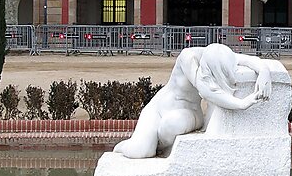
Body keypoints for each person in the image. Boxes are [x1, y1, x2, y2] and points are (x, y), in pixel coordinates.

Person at [113, 43, 272, 158]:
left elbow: (250, 60)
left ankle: (160, 146)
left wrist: (264, 72)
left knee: (171, 124)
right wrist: (242, 104)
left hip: (188, 113)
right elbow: (207, 92)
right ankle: (124, 146)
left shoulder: (221, 55)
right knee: (139, 151)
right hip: (158, 109)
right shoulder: (188, 58)